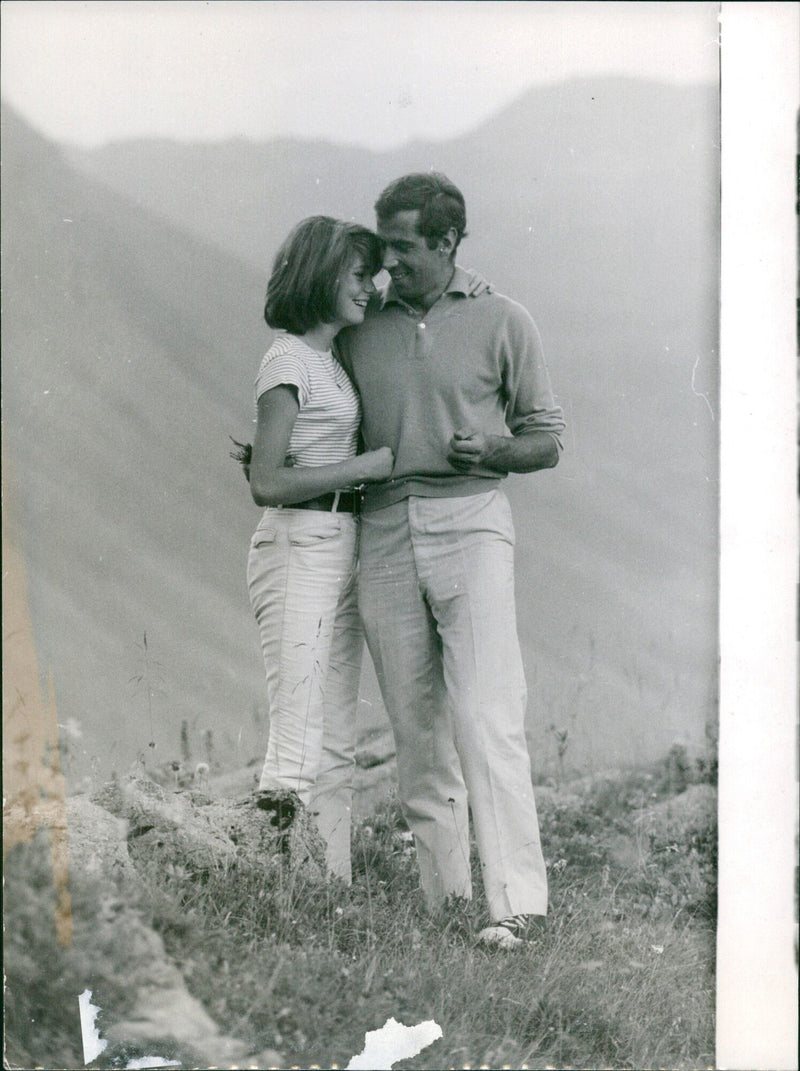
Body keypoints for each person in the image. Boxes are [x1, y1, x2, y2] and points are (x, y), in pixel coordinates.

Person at [335, 172, 566, 948]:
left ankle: (515, 903)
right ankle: (446, 905)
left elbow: (546, 438)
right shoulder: (359, 324)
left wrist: (494, 448)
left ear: (447, 240)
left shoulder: (505, 318)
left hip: (472, 518)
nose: (389, 261)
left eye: (404, 245)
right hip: (383, 526)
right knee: (416, 723)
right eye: (385, 245)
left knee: (487, 711)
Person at [243, 215, 393, 882]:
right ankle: (276, 886)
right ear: (325, 275)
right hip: (298, 544)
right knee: (299, 721)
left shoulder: (329, 356)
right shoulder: (287, 359)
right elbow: (266, 481)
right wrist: (362, 469)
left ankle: (328, 887)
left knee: (334, 730)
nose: (370, 287)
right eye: (359, 275)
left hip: (340, 544)